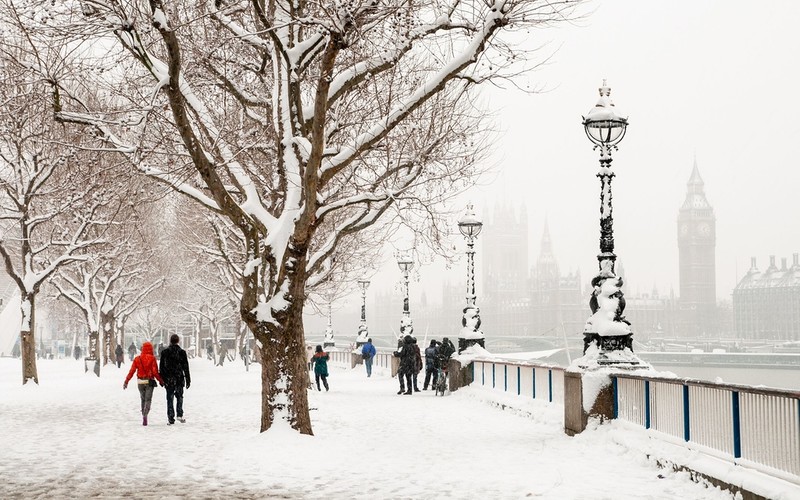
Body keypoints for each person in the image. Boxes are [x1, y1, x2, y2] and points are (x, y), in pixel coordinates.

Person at [123, 341, 164, 426]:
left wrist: (126, 381)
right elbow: (155, 372)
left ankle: (143, 415)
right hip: (149, 381)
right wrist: (161, 381)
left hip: (140, 381)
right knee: (148, 399)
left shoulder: (137, 359)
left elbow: (132, 371)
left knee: (143, 399)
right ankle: (145, 414)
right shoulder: (152, 358)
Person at [159, 334, 191, 425]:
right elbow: (186, 367)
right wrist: (188, 379)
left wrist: (162, 379)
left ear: (170, 341)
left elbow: (161, 367)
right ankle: (179, 414)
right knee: (179, 396)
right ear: (178, 341)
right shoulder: (182, 352)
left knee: (170, 398)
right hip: (179, 377)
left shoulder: (165, 352)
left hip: (169, 378)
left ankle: (170, 417)